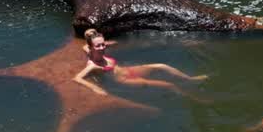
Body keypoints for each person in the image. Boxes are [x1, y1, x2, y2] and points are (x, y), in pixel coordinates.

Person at [72, 28, 206, 96]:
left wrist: (95, 37)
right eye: (98, 46)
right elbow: (77, 78)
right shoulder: (93, 65)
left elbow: (86, 43)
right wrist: (95, 87)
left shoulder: (90, 50)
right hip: (124, 80)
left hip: (129, 70)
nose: (102, 47)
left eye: (103, 44)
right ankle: (193, 97)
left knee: (161, 66)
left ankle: (190, 79)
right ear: (91, 47)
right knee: (168, 85)